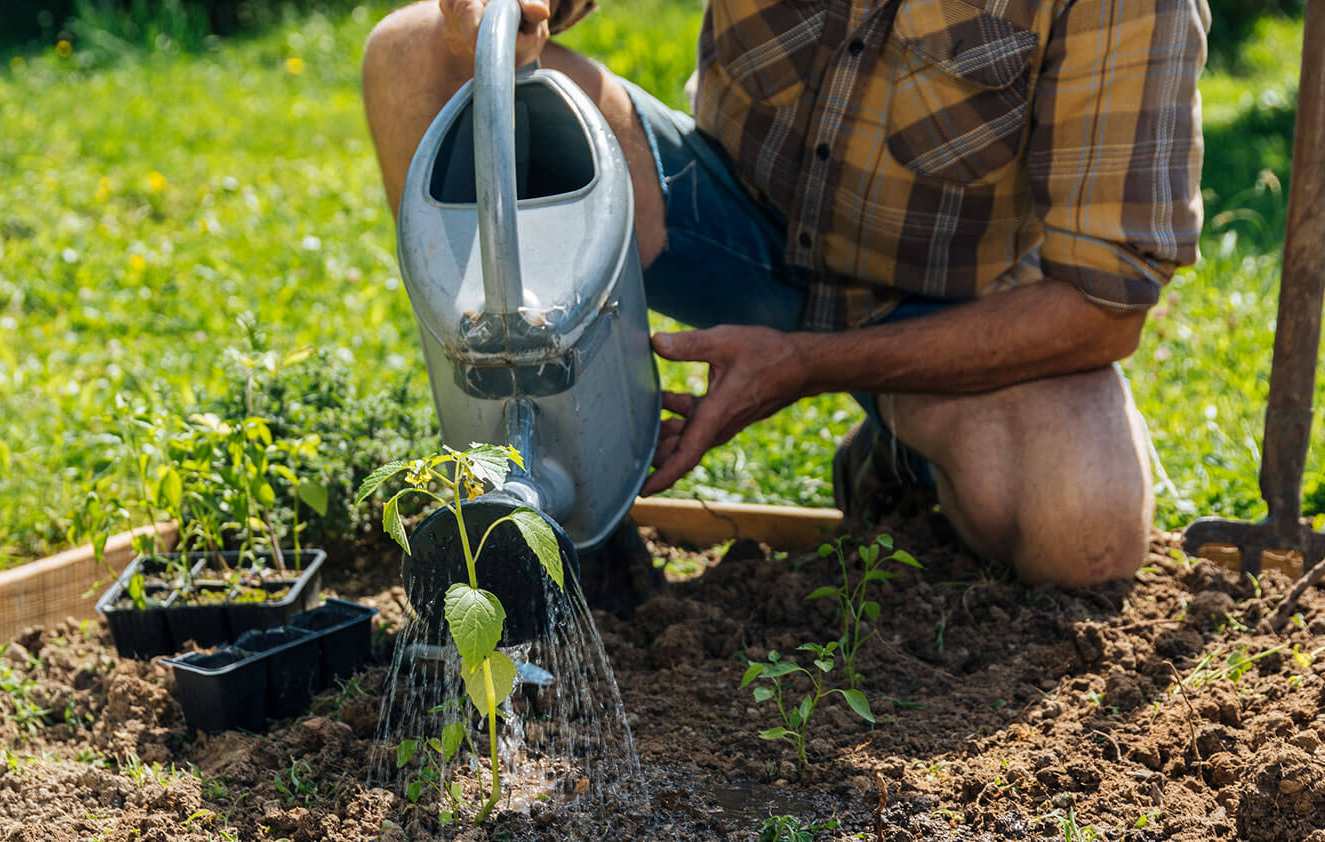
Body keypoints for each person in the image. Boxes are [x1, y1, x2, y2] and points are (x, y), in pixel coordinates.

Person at [361, 0, 1208, 586]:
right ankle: (550, 507)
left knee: (1086, 530)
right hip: (721, 212)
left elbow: (1103, 306)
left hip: (947, 303)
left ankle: (907, 454)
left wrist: (807, 364)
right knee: (417, 55)